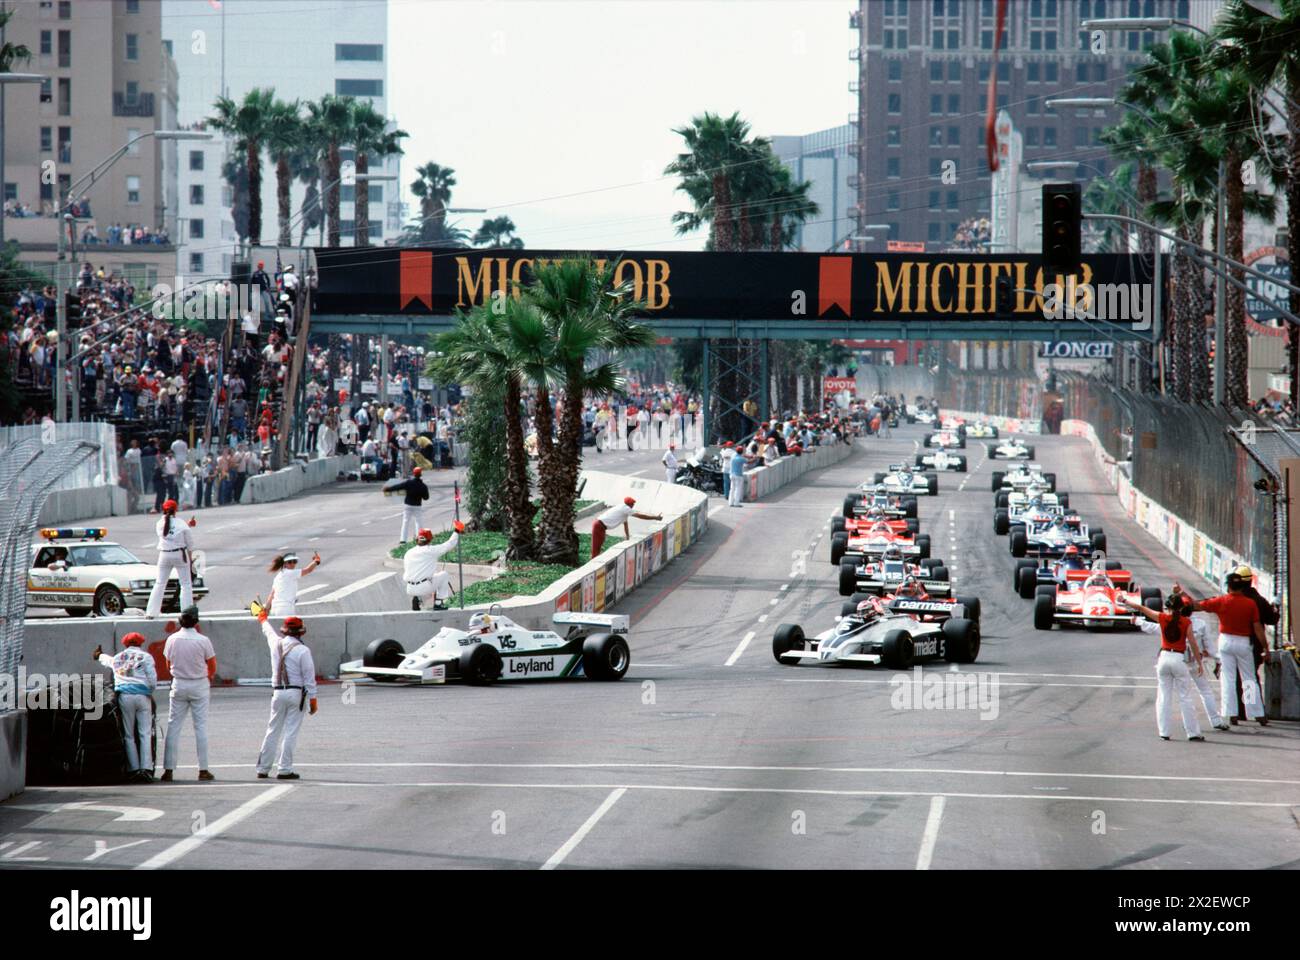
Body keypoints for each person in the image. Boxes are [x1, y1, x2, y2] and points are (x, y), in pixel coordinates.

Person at [1179, 569, 1269, 727]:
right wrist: (1265, 648)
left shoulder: (1221, 601)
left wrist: (1183, 595)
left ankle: (1231, 713)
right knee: (1249, 678)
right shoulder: (1250, 604)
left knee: (1228, 678)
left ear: (1228, 587)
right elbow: (1258, 628)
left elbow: (1197, 606)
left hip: (1226, 641)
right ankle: (1256, 713)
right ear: (1242, 587)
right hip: (1243, 642)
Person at [1120, 591, 1206, 741]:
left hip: (1164, 658)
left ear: (1168, 608)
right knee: (1185, 697)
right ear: (1181, 608)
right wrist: (1199, 663)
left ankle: (1164, 732)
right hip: (1179, 659)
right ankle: (1193, 732)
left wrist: (1125, 600)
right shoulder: (1187, 622)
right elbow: (1193, 645)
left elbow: (1141, 608)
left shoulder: (1162, 618)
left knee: (1163, 697)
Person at [250, 602, 317, 780]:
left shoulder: (276, 643)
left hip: (277, 692)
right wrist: (313, 699)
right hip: (296, 693)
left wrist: (262, 617)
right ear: (301, 632)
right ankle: (284, 769)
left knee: (272, 730)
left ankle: (263, 768)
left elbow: (267, 630)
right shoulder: (303, 650)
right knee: (291, 732)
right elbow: (309, 677)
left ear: (284, 631)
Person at [91, 631, 157, 783]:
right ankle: (146, 769)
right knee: (145, 733)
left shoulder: (117, 658)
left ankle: (133, 770)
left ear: (125, 644)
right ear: (141, 643)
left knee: (128, 735)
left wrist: (99, 655)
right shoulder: (146, 657)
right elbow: (153, 680)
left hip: (125, 697)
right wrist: (149, 692)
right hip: (143, 697)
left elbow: (106, 660)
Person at [160, 606, 216, 781]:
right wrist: (208, 677)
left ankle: (168, 769)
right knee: (200, 727)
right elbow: (212, 664)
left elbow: (168, 664)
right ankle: (203, 769)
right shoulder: (203, 640)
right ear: (196, 621)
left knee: (173, 726)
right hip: (199, 683)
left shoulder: (172, 639)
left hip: (179, 683)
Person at [145, 499, 195, 619]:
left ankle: (151, 612)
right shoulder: (181, 523)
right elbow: (189, 543)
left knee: (160, 583)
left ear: (163, 510)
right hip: (180, 555)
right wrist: (191, 560)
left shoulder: (159, 524)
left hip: (164, 555)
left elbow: (170, 532)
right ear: (175, 510)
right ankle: (187, 613)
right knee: (185, 584)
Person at [404, 523, 465, 610]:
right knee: (444, 575)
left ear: (417, 539)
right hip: (424, 586)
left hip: (410, 588)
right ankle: (439, 603)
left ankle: (418, 599)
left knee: (430, 582)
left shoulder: (409, 552)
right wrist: (457, 530)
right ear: (430, 540)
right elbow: (449, 544)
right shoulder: (430, 550)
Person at [591, 496, 662, 558]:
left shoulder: (623, 509)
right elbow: (640, 516)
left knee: (599, 545)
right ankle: (593, 563)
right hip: (599, 526)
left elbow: (626, 524)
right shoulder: (625, 509)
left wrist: (627, 536)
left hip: (601, 526)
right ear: (629, 504)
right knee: (596, 547)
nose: (633, 505)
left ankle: (595, 559)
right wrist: (655, 517)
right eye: (633, 504)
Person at [266, 550, 322, 618]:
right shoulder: (290, 573)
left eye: (294, 562)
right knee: (292, 628)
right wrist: (316, 561)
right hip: (285, 609)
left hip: (274, 610)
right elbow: (308, 570)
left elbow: (271, 595)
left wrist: (266, 609)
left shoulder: (278, 576)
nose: (292, 564)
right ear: (284, 564)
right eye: (289, 562)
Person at [386, 466, 430, 545]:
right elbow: (426, 498)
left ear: (413, 474)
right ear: (421, 474)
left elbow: (398, 487)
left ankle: (403, 540)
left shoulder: (408, 483)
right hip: (417, 506)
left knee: (405, 521)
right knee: (418, 522)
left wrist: (388, 489)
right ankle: (419, 538)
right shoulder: (423, 486)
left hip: (408, 505)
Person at [728, 442, 749, 507]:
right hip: (738, 475)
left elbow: (742, 455)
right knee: (738, 489)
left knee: (732, 489)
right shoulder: (741, 458)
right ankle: (736, 503)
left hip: (731, 474)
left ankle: (730, 502)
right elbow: (749, 461)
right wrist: (755, 458)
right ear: (742, 452)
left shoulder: (733, 456)